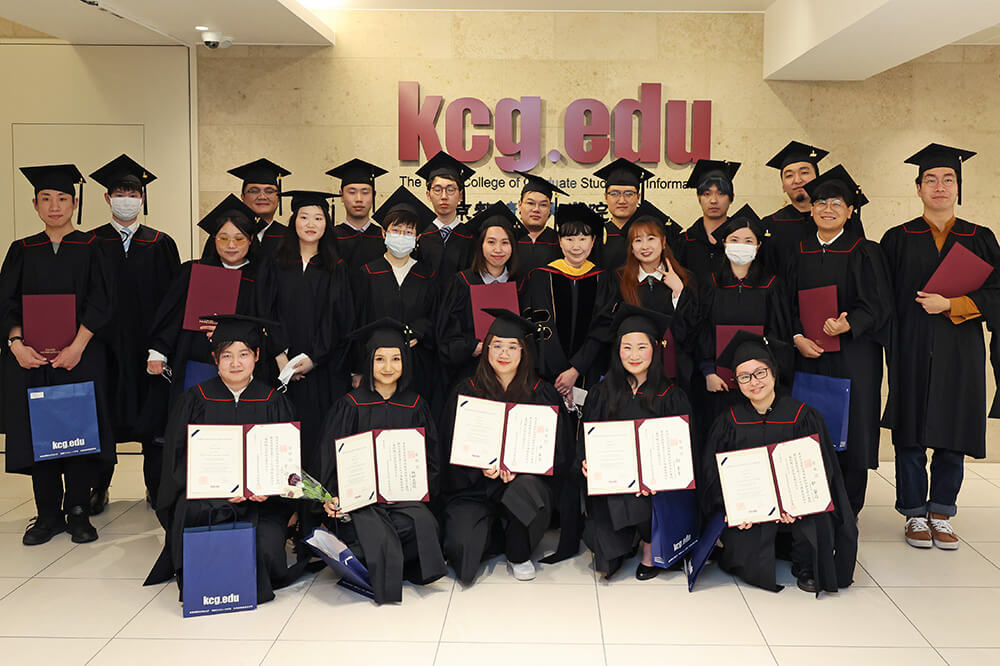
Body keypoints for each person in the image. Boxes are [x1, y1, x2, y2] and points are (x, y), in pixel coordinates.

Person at [881, 144, 1000, 549]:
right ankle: (914, 512)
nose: (939, 187)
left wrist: (954, 304)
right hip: (911, 347)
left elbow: (997, 294)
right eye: (930, 179)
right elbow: (883, 299)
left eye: (948, 180)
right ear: (917, 188)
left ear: (958, 187)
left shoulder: (980, 238)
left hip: (959, 351)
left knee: (953, 430)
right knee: (910, 431)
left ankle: (941, 511)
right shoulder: (897, 239)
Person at [145, 315, 308, 603]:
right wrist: (215, 488)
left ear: (257, 356)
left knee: (265, 547)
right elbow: (176, 458)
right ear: (214, 359)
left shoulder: (274, 401)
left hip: (263, 502)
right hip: (207, 499)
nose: (236, 363)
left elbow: (287, 464)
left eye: (244, 354)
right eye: (227, 355)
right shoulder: (194, 400)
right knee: (198, 520)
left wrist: (269, 491)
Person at [1, 164, 115, 545]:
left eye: (62, 198)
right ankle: (47, 514)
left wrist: (77, 346)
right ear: (35, 204)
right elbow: (7, 304)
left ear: (75, 203)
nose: (54, 206)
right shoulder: (21, 250)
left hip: (80, 357)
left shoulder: (93, 247)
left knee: (77, 431)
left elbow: (103, 301)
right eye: (46, 199)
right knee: (40, 433)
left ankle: (78, 511)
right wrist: (16, 345)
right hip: (31, 360)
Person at [702, 331, 857, 596]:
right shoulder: (729, 422)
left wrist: (798, 504)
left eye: (760, 373)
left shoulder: (803, 416)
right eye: (744, 377)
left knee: (815, 517)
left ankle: (806, 566)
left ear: (773, 372)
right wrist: (732, 508)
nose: (754, 382)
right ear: (737, 383)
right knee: (740, 543)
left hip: (796, 510)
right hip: (753, 513)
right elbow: (713, 475)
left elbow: (822, 470)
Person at [440, 309, 574, 583]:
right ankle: (490, 532)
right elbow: (448, 447)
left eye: (513, 347)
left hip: (525, 485)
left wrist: (521, 469)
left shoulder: (542, 392)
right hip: (475, 488)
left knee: (526, 490)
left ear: (524, 352)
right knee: (463, 554)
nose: (504, 353)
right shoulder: (467, 391)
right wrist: (479, 468)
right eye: (497, 345)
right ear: (486, 349)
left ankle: (517, 552)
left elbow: (559, 453)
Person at [319, 318, 447, 604]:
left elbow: (431, 460)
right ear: (368, 362)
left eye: (395, 359)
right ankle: (373, 556)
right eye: (379, 359)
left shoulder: (416, 405)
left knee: (424, 524)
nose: (388, 368)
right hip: (361, 502)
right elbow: (331, 457)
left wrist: (417, 490)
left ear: (406, 362)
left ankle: (375, 559)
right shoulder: (350, 405)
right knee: (369, 531)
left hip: (403, 500)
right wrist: (333, 496)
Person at [791, 166, 892, 517]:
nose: (828, 209)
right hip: (808, 355)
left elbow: (879, 305)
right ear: (812, 208)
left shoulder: (866, 251)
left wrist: (849, 324)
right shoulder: (798, 251)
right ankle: (808, 506)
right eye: (820, 202)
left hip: (854, 359)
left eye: (837, 203)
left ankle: (848, 513)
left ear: (851, 210)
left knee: (852, 432)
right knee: (809, 431)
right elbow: (783, 304)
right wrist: (797, 336)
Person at [88, 154, 181, 514]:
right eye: (119, 191)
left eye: (133, 191)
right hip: (104, 346)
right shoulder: (91, 242)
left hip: (149, 348)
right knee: (102, 416)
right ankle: (99, 486)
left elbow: (174, 301)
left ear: (142, 198)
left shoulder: (161, 243)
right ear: (108, 198)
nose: (127, 197)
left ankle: (154, 486)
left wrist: (163, 346)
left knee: (153, 418)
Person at [579, 304, 692, 579]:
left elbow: (682, 452)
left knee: (647, 505)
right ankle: (627, 538)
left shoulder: (671, 395)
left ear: (655, 348)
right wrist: (586, 461)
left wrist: (657, 479)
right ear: (617, 350)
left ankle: (648, 542)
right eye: (627, 347)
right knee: (604, 559)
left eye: (642, 347)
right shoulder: (602, 391)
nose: (634, 355)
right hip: (613, 485)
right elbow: (586, 434)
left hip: (654, 490)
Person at [256, 190, 353, 476]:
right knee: (280, 436)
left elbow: (339, 319)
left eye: (319, 218)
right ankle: (285, 510)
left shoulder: (336, 266)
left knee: (317, 435)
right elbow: (264, 311)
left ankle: (316, 509)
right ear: (293, 221)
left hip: (322, 369)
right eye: (304, 217)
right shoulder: (275, 263)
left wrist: (314, 358)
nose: (311, 224)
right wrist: (279, 355)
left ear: (327, 223)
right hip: (278, 366)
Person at [146, 195, 264, 406]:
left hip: (243, 366)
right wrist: (159, 350)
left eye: (239, 238)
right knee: (196, 416)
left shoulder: (261, 276)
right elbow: (172, 315)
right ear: (214, 239)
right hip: (196, 359)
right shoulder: (194, 270)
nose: (231, 245)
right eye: (223, 238)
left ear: (251, 240)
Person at [697, 204, 792, 429]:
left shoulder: (772, 286)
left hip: (760, 386)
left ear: (759, 246)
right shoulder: (709, 284)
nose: (741, 246)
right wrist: (708, 371)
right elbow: (701, 332)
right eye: (735, 239)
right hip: (717, 384)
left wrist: (764, 377)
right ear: (724, 243)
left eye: (749, 241)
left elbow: (779, 335)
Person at [590, 206, 700, 395]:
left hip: (674, 372)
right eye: (638, 240)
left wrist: (678, 292)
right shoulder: (617, 279)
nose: (645, 246)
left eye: (651, 239)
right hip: (629, 373)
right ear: (631, 247)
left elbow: (692, 330)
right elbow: (605, 326)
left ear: (664, 242)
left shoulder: (685, 280)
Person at [352, 186, 441, 412]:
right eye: (396, 229)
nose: (402, 236)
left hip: (418, 363)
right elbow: (357, 322)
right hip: (375, 366)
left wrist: (419, 331)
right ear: (384, 233)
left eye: (409, 231)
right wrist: (357, 370)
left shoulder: (427, 275)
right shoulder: (367, 273)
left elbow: (436, 317)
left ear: (418, 237)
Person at [519, 201, 608, 397]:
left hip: (588, 373)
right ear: (559, 241)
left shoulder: (603, 280)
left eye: (583, 239)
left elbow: (603, 329)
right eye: (569, 239)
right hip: (547, 374)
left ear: (593, 241)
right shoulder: (540, 277)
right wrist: (560, 373)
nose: (576, 246)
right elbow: (534, 326)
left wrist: (576, 369)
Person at [436, 202, 521, 386]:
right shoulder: (462, 283)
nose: (498, 249)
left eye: (505, 242)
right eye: (491, 242)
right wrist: (473, 347)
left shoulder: (521, 284)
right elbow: (446, 337)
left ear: (512, 246)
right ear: (480, 245)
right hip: (470, 375)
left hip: (512, 378)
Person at [759, 141, 829, 280]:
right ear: (783, 186)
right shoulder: (770, 225)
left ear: (818, 178)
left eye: (804, 172)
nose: (797, 180)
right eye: (789, 175)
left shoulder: (838, 220)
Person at [591, 158, 671, 271]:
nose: (622, 200)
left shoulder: (654, 232)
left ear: (638, 197)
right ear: (605, 197)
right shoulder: (596, 236)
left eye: (629, 194)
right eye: (614, 194)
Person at [673, 159, 741, 284]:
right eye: (707, 194)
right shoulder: (684, 242)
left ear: (732, 198)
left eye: (721, 194)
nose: (713, 200)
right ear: (699, 198)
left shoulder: (742, 240)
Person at [413, 151, 477, 280]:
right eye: (437, 190)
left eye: (451, 189)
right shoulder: (418, 235)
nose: (444, 196)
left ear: (460, 195)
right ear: (428, 195)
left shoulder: (472, 237)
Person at [327, 158, 389, 273]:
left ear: (374, 195)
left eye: (365, 192)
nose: (359, 199)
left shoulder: (384, 238)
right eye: (351, 192)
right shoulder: (330, 237)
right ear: (341, 195)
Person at [228, 158, 292, 256]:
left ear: (278, 198)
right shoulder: (225, 235)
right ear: (242, 197)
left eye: (269, 191)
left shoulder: (290, 237)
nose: (262, 197)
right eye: (254, 191)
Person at [513, 171, 566, 278]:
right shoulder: (508, 238)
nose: (536, 209)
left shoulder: (560, 242)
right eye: (530, 203)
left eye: (543, 205)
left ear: (550, 208)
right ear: (520, 204)